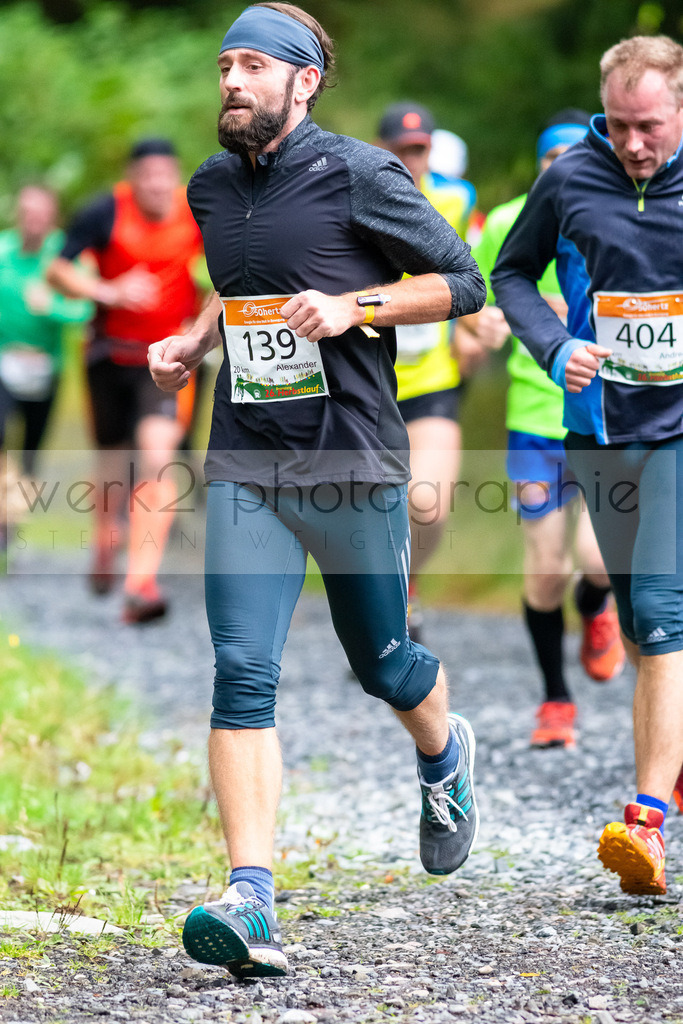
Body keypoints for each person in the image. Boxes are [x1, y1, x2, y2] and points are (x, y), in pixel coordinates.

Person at [148, 2, 485, 978]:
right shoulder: (212, 187)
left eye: (251, 65)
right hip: (249, 458)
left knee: (381, 664)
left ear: (303, 81)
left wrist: (353, 306)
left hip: (349, 459)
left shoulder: (360, 173)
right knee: (242, 670)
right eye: (223, 65)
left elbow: (457, 282)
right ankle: (249, 896)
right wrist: (192, 341)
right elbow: (239, 283)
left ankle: (441, 747)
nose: (230, 81)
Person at [492, 34, 683, 897]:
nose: (632, 143)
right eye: (616, 125)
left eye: (647, 125)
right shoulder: (570, 176)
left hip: (677, 433)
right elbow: (511, 275)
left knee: (655, 605)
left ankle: (645, 820)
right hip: (599, 434)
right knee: (646, 628)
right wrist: (554, 342)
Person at [454, 112, 625, 750]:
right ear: (539, 167)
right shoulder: (507, 222)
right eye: (551, 160)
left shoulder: (611, 214)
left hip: (605, 413)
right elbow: (469, 294)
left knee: (594, 561)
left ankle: (595, 608)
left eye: (572, 156)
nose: (562, 170)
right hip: (533, 420)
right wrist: (485, 324)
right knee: (545, 566)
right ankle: (556, 699)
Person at [46, 139, 204, 623]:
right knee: (113, 461)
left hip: (166, 359)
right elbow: (57, 270)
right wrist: (107, 290)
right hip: (109, 355)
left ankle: (141, 584)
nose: (157, 184)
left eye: (166, 174)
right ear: (132, 178)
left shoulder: (196, 211)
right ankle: (105, 538)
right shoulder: (105, 212)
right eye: (147, 175)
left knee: (157, 459)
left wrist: (200, 325)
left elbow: (231, 264)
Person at [376, 103, 477, 642]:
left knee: (428, 504)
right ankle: (377, 611)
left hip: (432, 378)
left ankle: (407, 587)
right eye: (400, 149)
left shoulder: (456, 199)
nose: (411, 159)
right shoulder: (354, 195)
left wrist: (474, 327)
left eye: (420, 148)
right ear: (381, 149)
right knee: (365, 513)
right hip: (367, 383)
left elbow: (471, 268)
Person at [0, 185, 91, 477]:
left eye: (41, 214)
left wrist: (50, 305)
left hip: (46, 366)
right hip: (4, 361)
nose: (33, 221)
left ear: (53, 217)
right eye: (28, 213)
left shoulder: (66, 255)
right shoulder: (3, 250)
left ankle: (13, 516)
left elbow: (84, 310)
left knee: (30, 449)